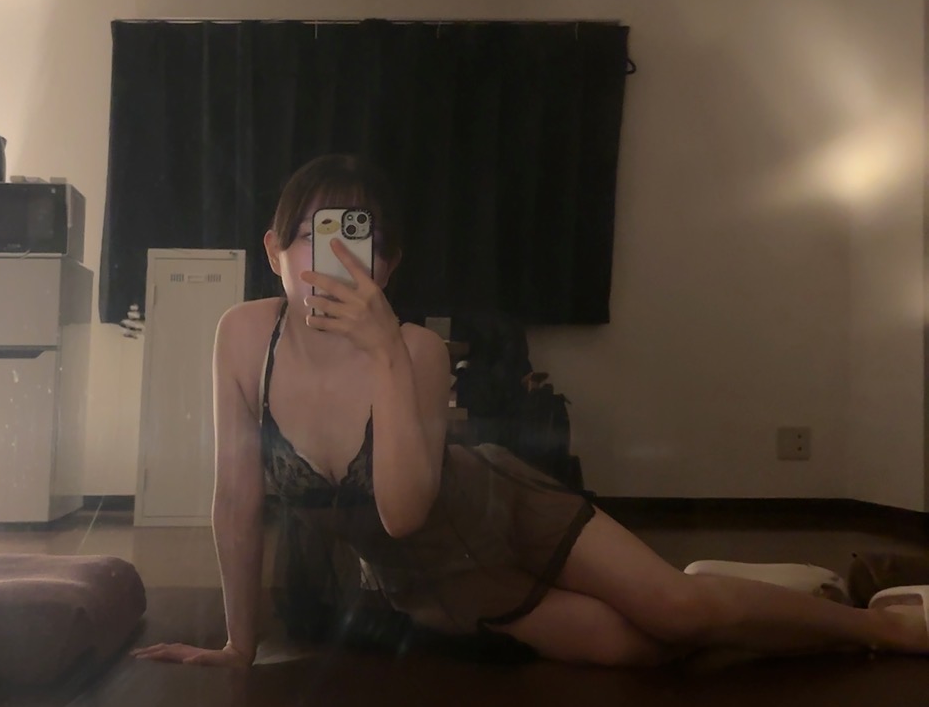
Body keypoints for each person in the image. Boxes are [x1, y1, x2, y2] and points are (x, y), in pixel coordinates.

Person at [136, 154, 929, 670]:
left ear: (389, 261)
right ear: (273, 250)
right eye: (312, 237)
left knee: (680, 614)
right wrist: (238, 646)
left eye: (356, 240)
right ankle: (756, 588)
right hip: (441, 586)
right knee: (644, 652)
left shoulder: (414, 348)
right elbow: (236, 501)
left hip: (503, 510)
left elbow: (403, 512)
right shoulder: (242, 337)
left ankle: (881, 626)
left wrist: (382, 352)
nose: (331, 260)